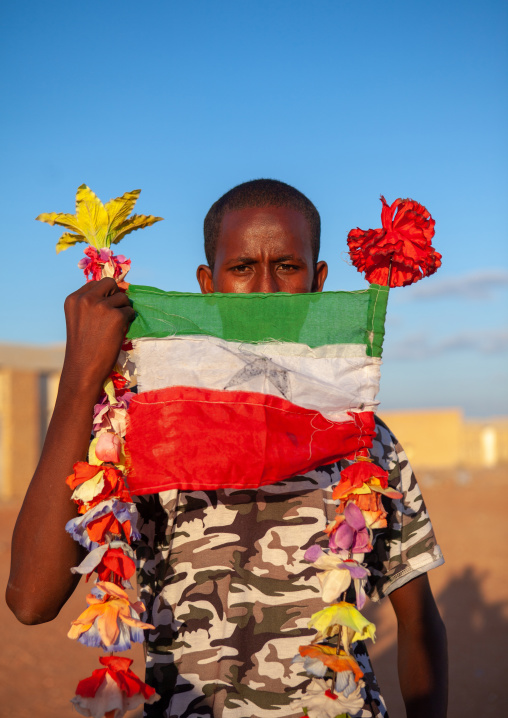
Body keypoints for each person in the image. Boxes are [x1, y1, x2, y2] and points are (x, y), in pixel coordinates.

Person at [7, 179, 448, 718]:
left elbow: (419, 619)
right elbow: (31, 601)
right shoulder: (142, 430)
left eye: (288, 266)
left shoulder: (360, 437)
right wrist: (80, 379)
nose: (265, 289)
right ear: (207, 283)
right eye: (241, 268)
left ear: (319, 280)